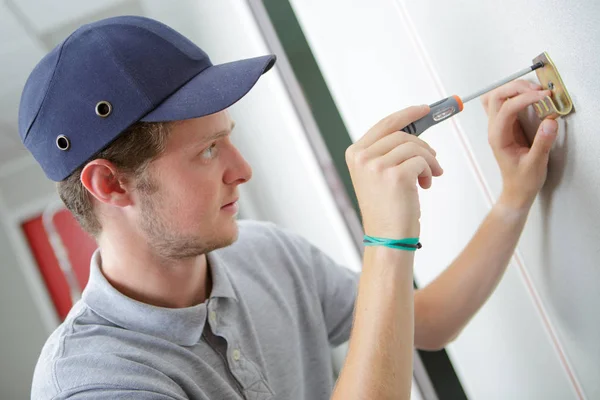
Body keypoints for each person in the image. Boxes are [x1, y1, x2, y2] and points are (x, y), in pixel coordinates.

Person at [20, 16, 557, 400]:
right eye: (207, 150)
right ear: (110, 185)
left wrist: (514, 193)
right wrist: (387, 241)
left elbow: (432, 324)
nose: (242, 169)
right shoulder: (92, 382)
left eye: (226, 137)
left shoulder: (266, 252)